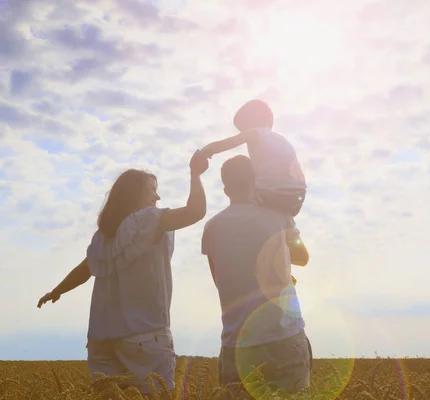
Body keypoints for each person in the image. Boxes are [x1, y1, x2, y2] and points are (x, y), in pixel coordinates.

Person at [37, 150, 210, 396]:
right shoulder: (148, 219)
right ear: (135, 194)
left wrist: (57, 291)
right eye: (152, 189)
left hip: (101, 341)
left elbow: (85, 269)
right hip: (144, 338)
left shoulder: (105, 236)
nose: (157, 196)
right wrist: (195, 174)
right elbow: (196, 211)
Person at [201, 154, 312, 398]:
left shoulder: (212, 227)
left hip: (235, 343)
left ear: (226, 188)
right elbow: (302, 257)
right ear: (256, 180)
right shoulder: (278, 216)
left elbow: (218, 280)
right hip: (282, 335)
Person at [199, 99, 308, 285]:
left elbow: (230, 143)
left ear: (252, 121)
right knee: (281, 217)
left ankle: (275, 265)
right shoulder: (283, 141)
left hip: (270, 191)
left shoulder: (257, 133)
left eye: (242, 128)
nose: (242, 133)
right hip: (296, 194)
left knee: (251, 208)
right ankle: (289, 250)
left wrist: (208, 150)